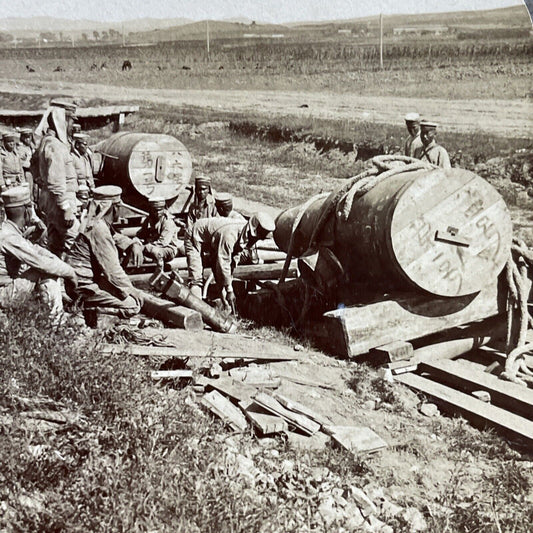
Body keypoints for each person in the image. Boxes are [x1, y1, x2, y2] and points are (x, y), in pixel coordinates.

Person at [65, 185, 142, 323]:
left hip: (78, 280)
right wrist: (132, 291)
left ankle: (86, 307)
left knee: (122, 293)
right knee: (133, 305)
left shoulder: (96, 222)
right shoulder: (99, 229)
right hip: (84, 285)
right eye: (118, 206)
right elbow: (112, 271)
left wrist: (132, 244)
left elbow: (115, 236)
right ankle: (89, 312)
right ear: (114, 207)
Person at [0, 186, 77, 320]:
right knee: (45, 270)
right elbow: (40, 262)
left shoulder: (10, 230)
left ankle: (56, 316)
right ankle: (56, 322)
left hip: (8, 288)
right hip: (3, 294)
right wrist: (70, 273)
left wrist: (64, 268)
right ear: (27, 210)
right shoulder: (9, 237)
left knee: (50, 267)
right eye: (31, 207)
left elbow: (37, 250)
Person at [186, 212, 276, 310]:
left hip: (213, 241)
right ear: (254, 229)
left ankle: (225, 307)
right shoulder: (230, 236)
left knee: (221, 275)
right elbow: (223, 263)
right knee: (196, 279)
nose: (258, 240)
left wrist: (229, 282)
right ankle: (196, 313)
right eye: (259, 237)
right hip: (195, 235)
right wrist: (229, 290)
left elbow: (232, 261)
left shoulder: (245, 234)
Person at [36, 101, 79, 257]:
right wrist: (66, 207)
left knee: (56, 244)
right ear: (62, 120)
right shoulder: (55, 146)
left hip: (53, 201)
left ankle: (56, 278)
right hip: (60, 203)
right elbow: (56, 180)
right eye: (71, 120)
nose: (72, 125)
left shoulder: (46, 142)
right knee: (77, 243)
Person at [128, 196, 180, 268]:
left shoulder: (168, 222)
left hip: (167, 248)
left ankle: (158, 268)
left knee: (156, 252)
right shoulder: (149, 220)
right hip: (151, 246)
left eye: (160, 210)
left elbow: (163, 242)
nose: (158, 213)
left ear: (164, 209)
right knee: (133, 247)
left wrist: (144, 247)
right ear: (151, 210)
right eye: (155, 210)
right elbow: (141, 234)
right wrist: (135, 241)